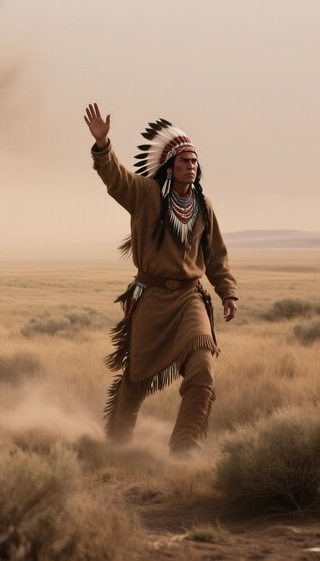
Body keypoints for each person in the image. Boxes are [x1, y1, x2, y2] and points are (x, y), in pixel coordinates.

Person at [83, 101, 238, 455]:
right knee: (135, 382)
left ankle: (184, 450)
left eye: (195, 161)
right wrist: (103, 146)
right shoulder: (146, 195)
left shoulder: (203, 205)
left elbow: (216, 256)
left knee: (203, 368)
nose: (191, 166)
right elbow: (116, 179)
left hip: (189, 300)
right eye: (184, 161)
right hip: (151, 300)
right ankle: (118, 447)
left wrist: (227, 292)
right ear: (169, 167)